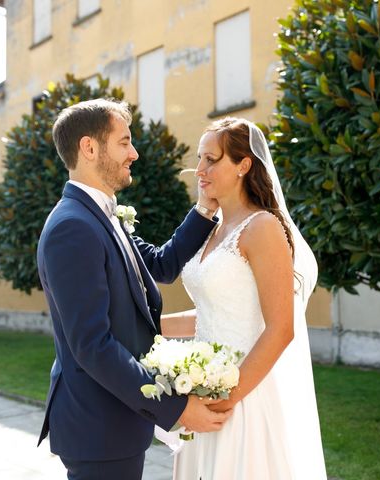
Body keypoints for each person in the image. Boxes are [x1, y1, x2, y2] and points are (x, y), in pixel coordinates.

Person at [36, 98, 232, 480]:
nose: (134, 153)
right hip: (98, 428)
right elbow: (93, 345)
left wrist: (205, 209)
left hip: (115, 427)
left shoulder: (103, 216)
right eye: (124, 142)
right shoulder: (72, 228)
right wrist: (175, 409)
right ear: (89, 148)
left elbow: (161, 264)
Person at [162, 117, 327, 479]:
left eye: (211, 159)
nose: (199, 170)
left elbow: (281, 328)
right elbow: (215, 311)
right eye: (200, 159)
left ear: (243, 165)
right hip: (202, 390)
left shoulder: (263, 228)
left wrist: (229, 397)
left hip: (245, 395)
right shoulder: (212, 229)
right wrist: (152, 327)